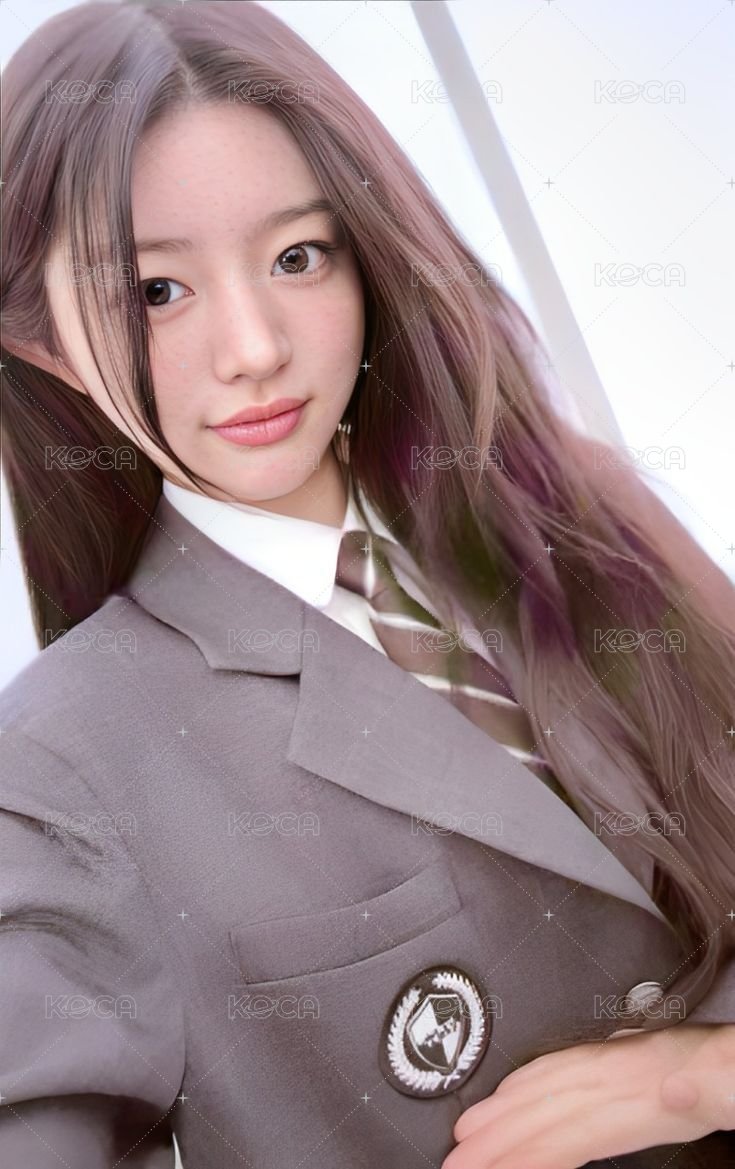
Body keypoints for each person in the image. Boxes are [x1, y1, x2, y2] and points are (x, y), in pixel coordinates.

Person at [1, 2, 734, 1166]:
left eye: (298, 256)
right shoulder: (58, 765)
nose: (255, 347)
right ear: (41, 338)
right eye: (155, 292)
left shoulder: (578, 514)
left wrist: (701, 1073)